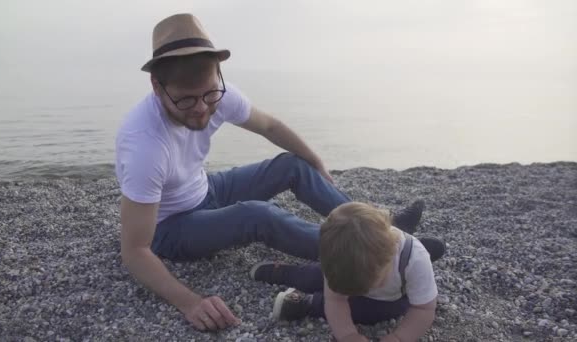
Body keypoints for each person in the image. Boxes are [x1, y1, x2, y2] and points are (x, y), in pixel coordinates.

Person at [115, 13, 425, 332]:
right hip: (171, 226)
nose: (201, 108)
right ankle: (367, 252)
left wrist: (315, 162)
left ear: (218, 75)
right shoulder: (144, 146)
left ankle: (372, 227)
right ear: (157, 86)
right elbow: (135, 249)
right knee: (258, 216)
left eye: (209, 95)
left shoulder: (216, 95)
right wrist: (190, 302)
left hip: (206, 189)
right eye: (186, 100)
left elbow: (271, 126)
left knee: (291, 165)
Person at [251, 202, 445, 342]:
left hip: (393, 296)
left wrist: (400, 337)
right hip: (349, 271)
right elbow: (336, 300)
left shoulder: (415, 260)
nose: (358, 292)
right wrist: (347, 334)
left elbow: (424, 309)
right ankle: (285, 273)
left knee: (374, 310)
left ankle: (306, 303)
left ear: (390, 256)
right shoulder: (341, 256)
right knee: (313, 275)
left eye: (372, 284)